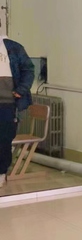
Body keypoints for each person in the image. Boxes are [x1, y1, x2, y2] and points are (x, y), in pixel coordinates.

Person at [0, 25, 34, 187]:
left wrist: (21, 90)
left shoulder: (14, 48)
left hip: (7, 103)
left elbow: (28, 70)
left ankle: (1, 172)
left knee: (4, 139)